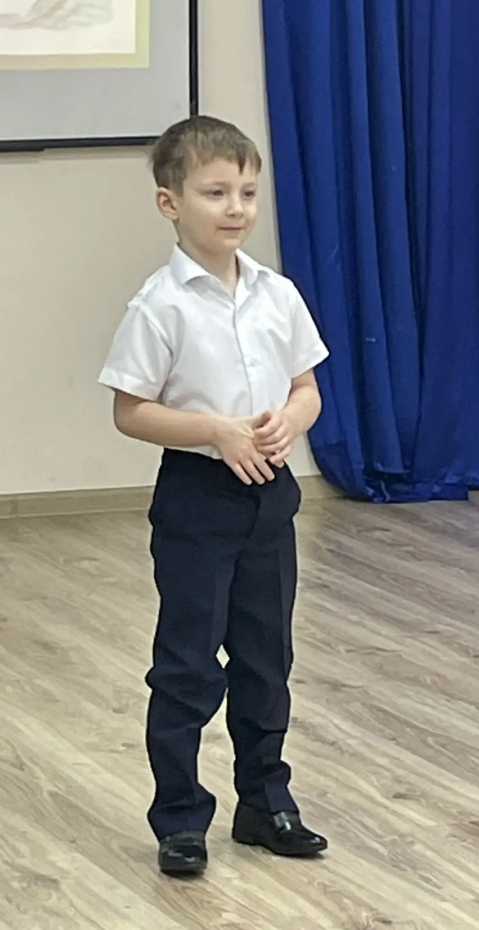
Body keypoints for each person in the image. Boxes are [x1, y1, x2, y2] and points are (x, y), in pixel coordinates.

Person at [98, 115, 330, 877]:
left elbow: (306, 386)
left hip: (270, 499)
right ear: (170, 203)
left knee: (267, 658)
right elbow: (131, 410)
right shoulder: (160, 305)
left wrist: (292, 418)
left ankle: (265, 801)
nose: (236, 208)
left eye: (248, 193)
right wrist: (213, 431)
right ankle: (179, 816)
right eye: (216, 192)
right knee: (189, 664)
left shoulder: (277, 295)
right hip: (198, 498)